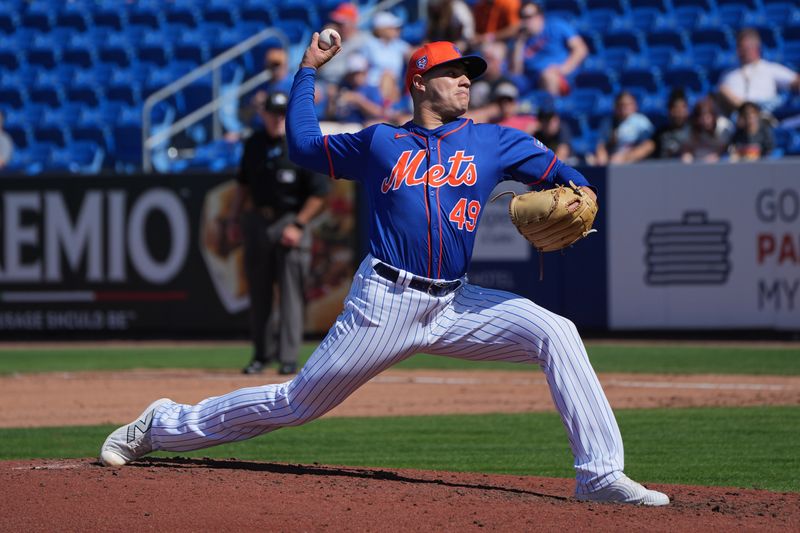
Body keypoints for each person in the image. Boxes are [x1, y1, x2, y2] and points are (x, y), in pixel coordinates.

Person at [99, 36, 670, 507]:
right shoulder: (380, 142)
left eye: (469, 73)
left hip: (454, 304)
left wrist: (583, 191)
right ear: (419, 83)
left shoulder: (497, 142)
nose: (467, 81)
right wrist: (307, 72)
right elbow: (301, 147)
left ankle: (598, 475)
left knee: (557, 332)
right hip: (385, 303)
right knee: (297, 404)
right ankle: (162, 424)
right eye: (452, 72)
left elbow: (565, 174)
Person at [226, 91, 330, 375]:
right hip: (258, 221)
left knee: (290, 294)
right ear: (263, 115)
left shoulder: (302, 146)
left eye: (282, 114)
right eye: (272, 113)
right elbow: (243, 185)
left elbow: (319, 194)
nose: (276, 119)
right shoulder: (255, 143)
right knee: (259, 294)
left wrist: (298, 224)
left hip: (291, 220)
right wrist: (234, 219)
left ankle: (288, 358)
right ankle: (261, 356)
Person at [511, 1, 588, 97]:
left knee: (547, 76)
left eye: (529, 16)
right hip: (532, 81)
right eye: (522, 17)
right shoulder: (521, 41)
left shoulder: (556, 26)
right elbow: (516, 72)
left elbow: (581, 49)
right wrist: (519, 43)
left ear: (540, 16)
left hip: (561, 77)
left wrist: (563, 69)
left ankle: (551, 110)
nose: (525, 21)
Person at [718, 28, 800, 115]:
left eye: (745, 48)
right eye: (739, 48)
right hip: (737, 117)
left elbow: (795, 81)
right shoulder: (728, 74)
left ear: (756, 48)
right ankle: (747, 112)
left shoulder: (769, 68)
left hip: (764, 113)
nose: (740, 52)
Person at [589, 91, 654, 166]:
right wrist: (602, 158)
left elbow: (648, 146)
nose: (624, 108)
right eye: (621, 105)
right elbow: (601, 145)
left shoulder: (641, 121)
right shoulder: (608, 122)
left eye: (627, 105)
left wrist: (625, 158)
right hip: (612, 163)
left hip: (635, 164)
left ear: (635, 105)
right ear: (615, 106)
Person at [361, 11, 411, 89]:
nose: (397, 30)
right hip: (372, 87)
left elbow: (412, 54)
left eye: (397, 28)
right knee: (386, 77)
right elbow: (362, 68)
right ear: (381, 30)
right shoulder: (369, 44)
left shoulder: (399, 45)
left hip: (394, 86)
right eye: (392, 28)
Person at [680, 97, 732, 164]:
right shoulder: (692, 129)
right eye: (702, 117)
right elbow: (686, 149)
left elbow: (722, 151)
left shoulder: (724, 127)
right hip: (698, 161)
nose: (705, 121)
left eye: (708, 117)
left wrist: (710, 159)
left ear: (714, 116)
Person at [645, 88, 691, 160]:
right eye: (675, 108)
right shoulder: (660, 133)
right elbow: (648, 147)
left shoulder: (694, 131)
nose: (679, 113)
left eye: (682, 108)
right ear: (669, 110)